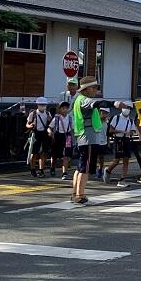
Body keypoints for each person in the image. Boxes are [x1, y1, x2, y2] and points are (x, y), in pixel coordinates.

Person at [71, 76, 108, 204]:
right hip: (89, 138)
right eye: (94, 87)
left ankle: (75, 193)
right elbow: (97, 103)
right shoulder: (85, 100)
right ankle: (80, 195)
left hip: (83, 136)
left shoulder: (78, 99)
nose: (96, 90)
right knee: (85, 168)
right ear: (87, 89)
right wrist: (114, 103)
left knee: (80, 167)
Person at [104, 101, 139, 187]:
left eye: (129, 108)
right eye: (126, 107)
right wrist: (122, 131)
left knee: (126, 160)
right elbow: (111, 130)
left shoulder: (130, 120)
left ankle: (122, 180)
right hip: (118, 139)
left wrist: (130, 132)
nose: (127, 109)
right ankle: (108, 170)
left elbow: (133, 131)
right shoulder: (116, 118)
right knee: (117, 160)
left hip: (126, 140)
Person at [27, 97, 52, 178]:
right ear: (37, 105)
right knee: (34, 152)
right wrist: (30, 126)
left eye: (44, 105)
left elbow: (50, 124)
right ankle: (32, 169)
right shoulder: (33, 113)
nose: (43, 106)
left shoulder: (48, 113)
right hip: (36, 133)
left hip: (44, 133)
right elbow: (27, 124)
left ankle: (41, 170)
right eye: (41, 104)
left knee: (43, 153)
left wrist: (49, 122)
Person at [48, 101, 72, 180]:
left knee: (66, 155)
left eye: (66, 108)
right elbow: (49, 127)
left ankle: (64, 173)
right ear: (60, 109)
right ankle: (52, 167)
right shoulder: (56, 118)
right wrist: (50, 132)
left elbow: (74, 128)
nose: (65, 110)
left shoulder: (70, 118)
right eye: (63, 108)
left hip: (67, 137)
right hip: (57, 136)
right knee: (54, 154)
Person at [96, 107, 111, 180]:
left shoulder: (107, 122)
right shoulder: (96, 121)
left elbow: (107, 134)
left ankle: (100, 170)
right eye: (103, 112)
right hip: (96, 142)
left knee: (101, 157)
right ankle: (92, 170)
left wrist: (108, 142)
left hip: (103, 142)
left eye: (106, 113)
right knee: (94, 157)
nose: (104, 114)